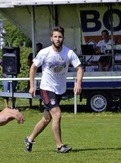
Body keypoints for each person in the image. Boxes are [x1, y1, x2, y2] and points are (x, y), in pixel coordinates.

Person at [24, 26, 83, 154]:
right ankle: (59, 146)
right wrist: (32, 86)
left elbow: (79, 68)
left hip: (59, 90)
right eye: (55, 37)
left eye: (60, 37)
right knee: (57, 114)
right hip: (46, 88)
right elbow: (33, 68)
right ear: (51, 38)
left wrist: (78, 83)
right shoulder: (45, 52)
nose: (57, 39)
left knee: (46, 119)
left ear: (63, 38)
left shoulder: (68, 53)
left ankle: (29, 139)